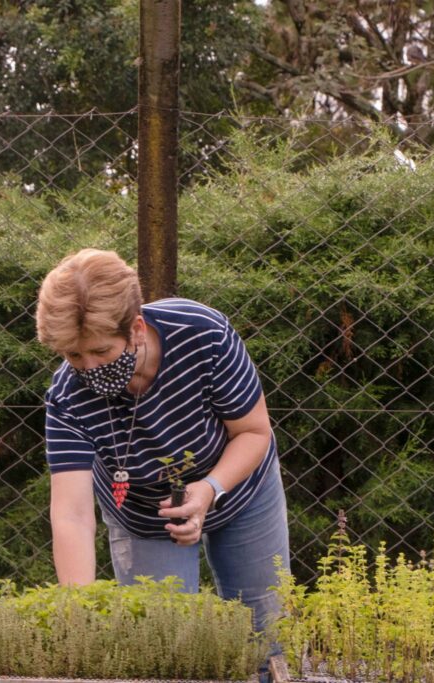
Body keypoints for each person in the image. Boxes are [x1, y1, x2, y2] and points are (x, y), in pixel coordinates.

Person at [36, 249, 290, 648]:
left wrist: (208, 489)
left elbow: (254, 432)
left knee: (264, 633)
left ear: (136, 328)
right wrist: (78, 611)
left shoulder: (200, 332)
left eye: (101, 351)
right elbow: (72, 514)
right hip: (142, 511)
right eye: (73, 355)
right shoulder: (67, 396)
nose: (88, 367)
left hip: (238, 486)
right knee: (163, 645)